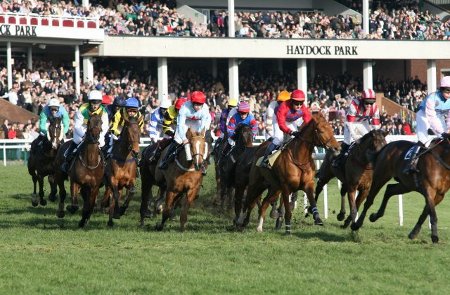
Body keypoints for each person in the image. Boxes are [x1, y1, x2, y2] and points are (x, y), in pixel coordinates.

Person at [403, 76, 450, 174]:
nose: (449, 94)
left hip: (439, 117)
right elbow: (431, 117)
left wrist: (448, 129)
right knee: (423, 140)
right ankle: (411, 164)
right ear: (441, 89)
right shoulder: (432, 98)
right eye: (447, 91)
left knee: (447, 139)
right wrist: (442, 132)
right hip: (424, 116)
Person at [159, 91, 211, 171]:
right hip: (185, 121)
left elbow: (203, 126)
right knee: (177, 139)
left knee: (203, 140)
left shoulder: (205, 109)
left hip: (199, 122)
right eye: (196, 104)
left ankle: (204, 162)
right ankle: (166, 160)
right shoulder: (184, 108)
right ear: (192, 102)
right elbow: (180, 125)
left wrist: (199, 136)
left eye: (200, 105)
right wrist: (184, 139)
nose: (198, 107)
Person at [61, 90, 109, 173]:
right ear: (90, 102)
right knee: (77, 141)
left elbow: (105, 127)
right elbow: (77, 126)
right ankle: (67, 159)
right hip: (82, 130)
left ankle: (106, 164)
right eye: (93, 103)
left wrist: (99, 136)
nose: (95, 105)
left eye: (97, 103)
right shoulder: (82, 109)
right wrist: (84, 136)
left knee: (102, 143)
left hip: (97, 132)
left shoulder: (103, 112)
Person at [260, 89, 311, 168]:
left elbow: (308, 121)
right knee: (279, 139)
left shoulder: (303, 108)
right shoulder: (283, 106)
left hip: (290, 121)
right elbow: (281, 124)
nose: (299, 106)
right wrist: (290, 132)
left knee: (297, 139)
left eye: (301, 103)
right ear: (291, 101)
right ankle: (265, 159)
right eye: (297, 103)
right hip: (279, 121)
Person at [332, 88, 380, 168]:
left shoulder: (375, 108)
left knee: (371, 139)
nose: (369, 105)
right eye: (367, 102)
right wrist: (354, 136)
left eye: (371, 103)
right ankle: (338, 160)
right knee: (348, 141)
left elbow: (375, 126)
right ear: (362, 100)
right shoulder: (354, 104)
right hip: (350, 123)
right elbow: (350, 124)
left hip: (362, 122)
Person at [146, 97, 187, 162]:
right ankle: (153, 155)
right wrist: (153, 138)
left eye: (166, 109)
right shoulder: (155, 114)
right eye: (163, 109)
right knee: (155, 141)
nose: (165, 111)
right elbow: (152, 127)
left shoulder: (174, 111)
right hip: (158, 127)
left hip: (170, 125)